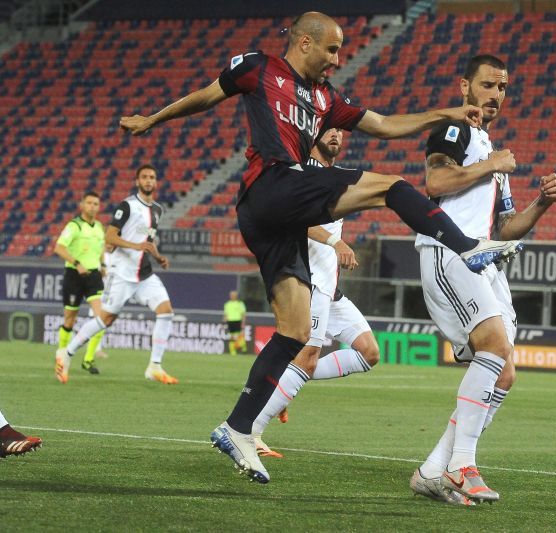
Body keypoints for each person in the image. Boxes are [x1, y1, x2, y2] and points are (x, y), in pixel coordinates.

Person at [119, 12, 523, 484]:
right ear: (305, 42)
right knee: (391, 186)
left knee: (293, 332)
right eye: (332, 49)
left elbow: (385, 125)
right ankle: (466, 246)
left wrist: (445, 112)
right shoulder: (257, 68)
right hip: (273, 183)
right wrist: (153, 118)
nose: (337, 59)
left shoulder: (327, 98)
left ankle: (238, 427)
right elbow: (206, 96)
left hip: (276, 221)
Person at [411, 55, 556, 505]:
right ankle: (463, 466)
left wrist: (542, 203)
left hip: (482, 255)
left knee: (505, 373)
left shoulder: (489, 146)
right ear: (465, 86)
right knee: (495, 349)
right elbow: (435, 181)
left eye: (502, 87)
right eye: (488, 85)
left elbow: (508, 226)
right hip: (449, 249)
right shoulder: (454, 129)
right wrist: (491, 163)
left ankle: (433, 470)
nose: (496, 94)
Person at [251, 128, 380, 458]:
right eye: (330, 129)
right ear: (314, 135)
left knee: (368, 353)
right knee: (306, 360)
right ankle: (252, 430)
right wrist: (335, 241)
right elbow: (293, 219)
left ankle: (283, 383)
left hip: (329, 287)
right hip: (309, 282)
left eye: (341, 130)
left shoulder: (334, 177)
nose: (336, 134)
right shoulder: (302, 173)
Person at [55, 165, 178, 385]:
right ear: (137, 181)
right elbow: (110, 237)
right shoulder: (128, 206)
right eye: (145, 177)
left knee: (166, 311)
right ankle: (67, 353)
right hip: (122, 273)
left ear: (156, 182)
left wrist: (158, 257)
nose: (149, 180)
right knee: (105, 318)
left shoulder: (158, 209)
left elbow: (148, 241)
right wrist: (135, 246)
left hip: (145, 274)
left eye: (152, 177)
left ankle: (155, 366)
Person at [53, 191, 108, 375]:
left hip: (93, 276)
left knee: (102, 318)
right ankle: (61, 355)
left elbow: (100, 248)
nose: (93, 206)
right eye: (89, 203)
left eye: (96, 204)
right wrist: (77, 263)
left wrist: (103, 264)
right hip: (74, 275)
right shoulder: (74, 226)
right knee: (70, 319)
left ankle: (88, 359)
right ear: (82, 205)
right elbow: (59, 248)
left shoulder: (99, 227)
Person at [224, 291, 247, 355]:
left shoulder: (240, 304)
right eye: (231, 295)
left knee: (239, 336)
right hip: (230, 322)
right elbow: (226, 314)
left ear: (236, 296)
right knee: (232, 336)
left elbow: (243, 314)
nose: (232, 296)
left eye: (233, 295)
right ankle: (232, 351)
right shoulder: (227, 304)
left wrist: (243, 322)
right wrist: (224, 322)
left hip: (237, 321)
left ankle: (243, 347)